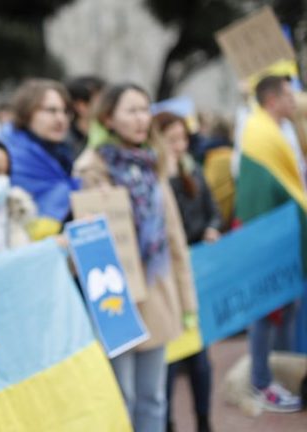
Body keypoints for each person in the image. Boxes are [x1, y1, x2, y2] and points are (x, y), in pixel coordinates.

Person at [73, 83, 198, 432]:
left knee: (154, 396)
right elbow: (83, 243)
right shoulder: (90, 168)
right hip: (116, 299)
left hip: (157, 292)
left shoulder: (153, 164)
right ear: (108, 118)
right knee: (120, 397)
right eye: (132, 110)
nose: (142, 118)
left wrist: (187, 301)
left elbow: (174, 238)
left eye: (145, 109)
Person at [236, 75, 304, 412]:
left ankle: (285, 375)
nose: (295, 101)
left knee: (288, 307)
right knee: (265, 310)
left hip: (286, 231)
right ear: (273, 99)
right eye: (290, 96)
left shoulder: (282, 130)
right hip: (269, 234)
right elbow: (257, 192)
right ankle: (263, 381)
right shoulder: (257, 132)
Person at [153, 111, 219, 432]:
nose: (179, 146)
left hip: (195, 274)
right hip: (167, 281)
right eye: (172, 140)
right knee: (167, 362)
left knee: (200, 359)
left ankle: (204, 421)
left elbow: (214, 211)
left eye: (183, 139)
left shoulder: (194, 171)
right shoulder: (154, 180)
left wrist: (211, 228)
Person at [0, 79, 80, 238]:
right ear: (27, 113)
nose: (61, 119)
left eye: (65, 112)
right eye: (51, 111)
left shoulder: (62, 153)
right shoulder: (8, 154)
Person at [65, 75, 105, 160]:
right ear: (81, 106)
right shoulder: (64, 141)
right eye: (102, 100)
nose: (108, 105)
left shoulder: (109, 136)